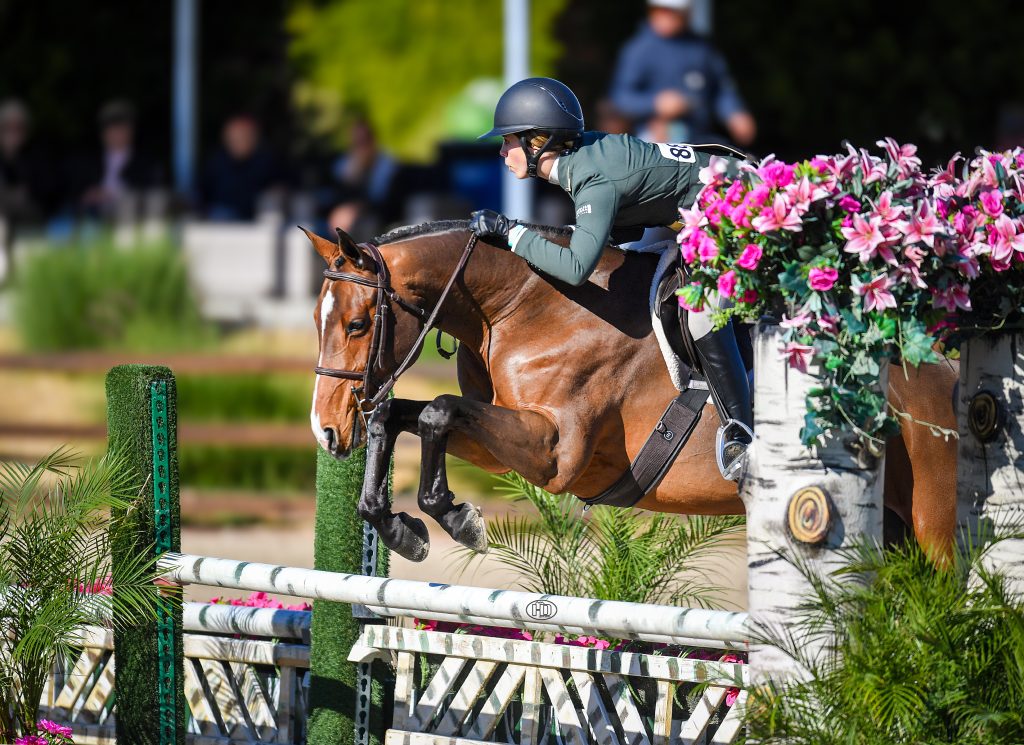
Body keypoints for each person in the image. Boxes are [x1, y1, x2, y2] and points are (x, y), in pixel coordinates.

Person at [469, 77, 752, 480]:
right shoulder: (583, 157)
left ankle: (741, 434)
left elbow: (576, 268)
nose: (501, 151)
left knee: (701, 314)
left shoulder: (592, 177)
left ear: (538, 142)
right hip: (712, 205)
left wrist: (513, 234)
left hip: (743, 210)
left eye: (508, 141)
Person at [610, 0, 755, 147]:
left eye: (673, 12)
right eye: (661, 10)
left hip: (699, 137)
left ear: (687, 14)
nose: (666, 17)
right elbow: (620, 97)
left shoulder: (702, 48)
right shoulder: (638, 49)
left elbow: (720, 87)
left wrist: (734, 112)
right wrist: (655, 103)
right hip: (654, 142)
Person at [75, 100, 162, 220]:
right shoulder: (89, 161)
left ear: (131, 132)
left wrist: (112, 195)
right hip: (95, 212)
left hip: (132, 211)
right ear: (103, 134)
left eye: (121, 130)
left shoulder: (145, 161)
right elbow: (78, 190)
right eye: (112, 130)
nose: (117, 135)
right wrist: (90, 195)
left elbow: (151, 190)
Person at [200, 114, 287, 221]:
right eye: (233, 137)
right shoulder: (216, 163)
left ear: (254, 138)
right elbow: (201, 193)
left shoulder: (269, 162)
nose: (237, 141)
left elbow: (284, 187)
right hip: (220, 220)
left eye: (242, 136)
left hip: (258, 220)